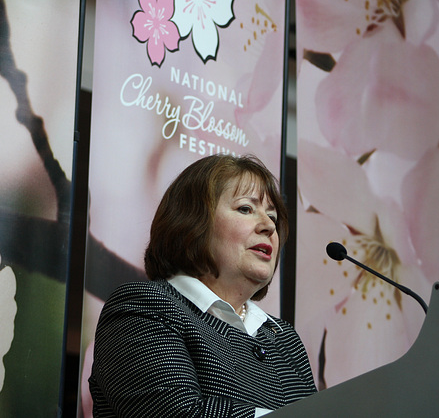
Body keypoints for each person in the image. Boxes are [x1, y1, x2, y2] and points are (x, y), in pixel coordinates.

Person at [89, 154, 317, 417]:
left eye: (273, 218)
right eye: (246, 208)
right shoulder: (143, 307)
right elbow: (180, 413)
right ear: (192, 221)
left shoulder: (284, 339)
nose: (268, 226)